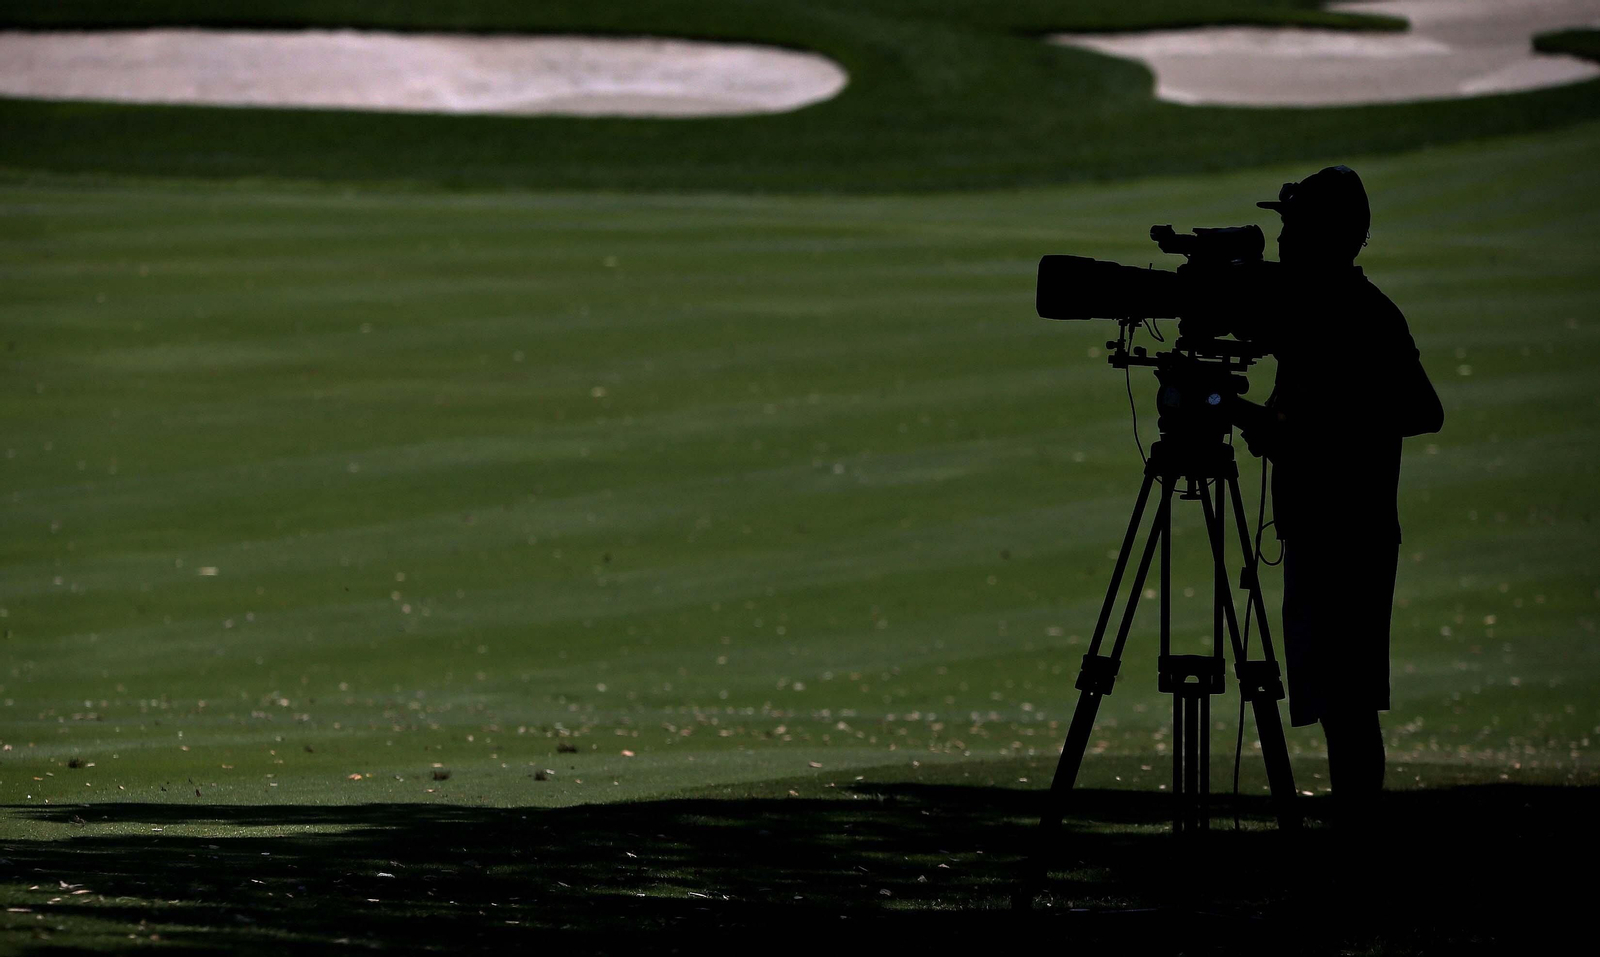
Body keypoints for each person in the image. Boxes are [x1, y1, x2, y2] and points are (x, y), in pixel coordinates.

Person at [1226, 165, 1444, 825]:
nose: (1283, 239)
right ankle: (1355, 832)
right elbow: (1295, 420)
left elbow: (1419, 408)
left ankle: (1358, 836)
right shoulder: (1316, 309)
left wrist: (1294, 427)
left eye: (1294, 226)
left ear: (1327, 234)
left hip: (1349, 531)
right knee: (1339, 698)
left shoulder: (1361, 313)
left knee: (1349, 701)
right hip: (1323, 527)